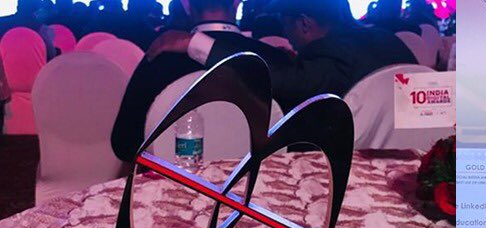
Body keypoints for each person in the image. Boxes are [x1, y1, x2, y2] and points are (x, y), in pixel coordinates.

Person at [146, 0, 417, 113]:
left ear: (304, 24)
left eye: (285, 24)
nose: (286, 34)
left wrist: (195, 43)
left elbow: (276, 79)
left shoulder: (333, 56)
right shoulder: (388, 40)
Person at [110, 0, 259, 162]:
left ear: (186, 5)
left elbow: (123, 144)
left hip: (170, 176)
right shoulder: (266, 62)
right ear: (237, 3)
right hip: (259, 176)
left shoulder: (158, 57)